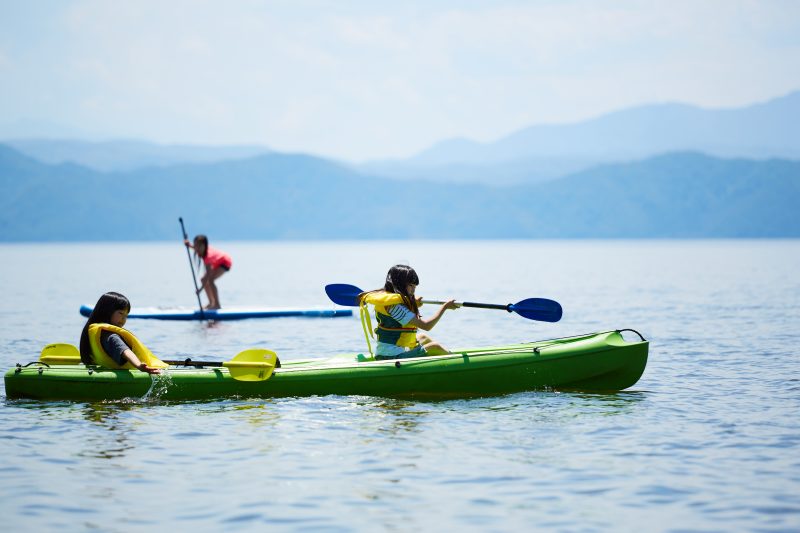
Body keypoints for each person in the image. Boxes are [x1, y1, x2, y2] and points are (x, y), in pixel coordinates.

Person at [359, 264, 459, 360]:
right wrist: (445, 307)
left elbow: (407, 316)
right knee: (434, 347)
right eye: (411, 286)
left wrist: (413, 304)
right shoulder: (395, 307)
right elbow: (426, 326)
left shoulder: (390, 301)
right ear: (399, 284)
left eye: (415, 287)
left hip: (388, 353)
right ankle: (456, 361)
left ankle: (448, 355)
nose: (413, 290)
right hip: (392, 358)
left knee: (422, 337)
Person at [79, 292, 166, 374]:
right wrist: (139, 365)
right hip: (145, 368)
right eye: (121, 313)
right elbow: (124, 350)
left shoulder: (94, 331)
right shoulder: (111, 336)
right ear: (106, 311)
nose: (124, 319)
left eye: (126, 315)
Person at [184, 234, 232, 310]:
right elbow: (196, 248)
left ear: (204, 246)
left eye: (198, 246)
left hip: (225, 262)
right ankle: (211, 303)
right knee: (203, 280)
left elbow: (208, 275)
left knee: (210, 280)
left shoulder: (208, 257)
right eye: (195, 245)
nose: (196, 248)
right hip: (217, 262)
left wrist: (200, 289)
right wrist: (189, 245)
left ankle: (217, 304)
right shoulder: (202, 249)